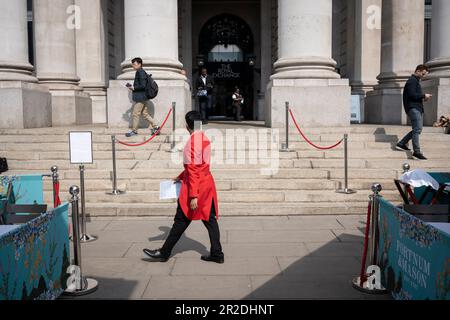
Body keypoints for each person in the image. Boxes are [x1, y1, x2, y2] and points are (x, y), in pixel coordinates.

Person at [143, 111, 224, 264]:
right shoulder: (204, 139)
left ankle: (164, 253)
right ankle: (217, 253)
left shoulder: (191, 143)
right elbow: (198, 166)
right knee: (210, 220)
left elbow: (193, 169)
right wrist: (180, 176)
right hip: (206, 184)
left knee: (181, 220)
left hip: (196, 187)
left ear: (187, 127)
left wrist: (193, 195)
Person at [396, 65, 433, 160]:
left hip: (414, 107)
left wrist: (423, 98)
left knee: (417, 129)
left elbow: (413, 96)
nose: (423, 76)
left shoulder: (415, 81)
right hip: (413, 108)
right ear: (418, 71)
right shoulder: (412, 81)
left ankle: (401, 143)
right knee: (417, 129)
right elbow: (412, 95)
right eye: (423, 73)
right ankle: (416, 152)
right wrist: (424, 95)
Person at [125, 57, 160, 137]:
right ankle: (156, 127)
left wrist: (134, 88)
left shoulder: (140, 72)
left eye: (134, 64)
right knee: (145, 114)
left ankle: (134, 131)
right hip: (143, 97)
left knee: (135, 113)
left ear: (139, 64)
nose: (133, 66)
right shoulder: (141, 72)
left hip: (141, 97)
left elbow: (143, 85)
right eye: (132, 64)